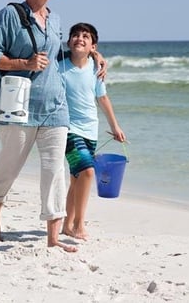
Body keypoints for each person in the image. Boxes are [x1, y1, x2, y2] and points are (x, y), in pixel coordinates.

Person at [0, 0, 79, 252]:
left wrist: (92, 57)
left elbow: (55, 57)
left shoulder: (56, 19)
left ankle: (53, 236)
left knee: (54, 170)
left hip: (55, 106)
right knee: (8, 168)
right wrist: (24, 63)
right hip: (18, 106)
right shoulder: (9, 15)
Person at [60, 22, 126, 241]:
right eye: (76, 35)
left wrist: (114, 126)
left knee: (77, 178)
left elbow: (102, 98)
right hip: (67, 129)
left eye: (85, 36)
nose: (80, 38)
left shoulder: (96, 69)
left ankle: (66, 225)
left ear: (93, 46)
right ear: (69, 42)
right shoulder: (59, 66)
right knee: (88, 172)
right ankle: (79, 224)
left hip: (91, 129)